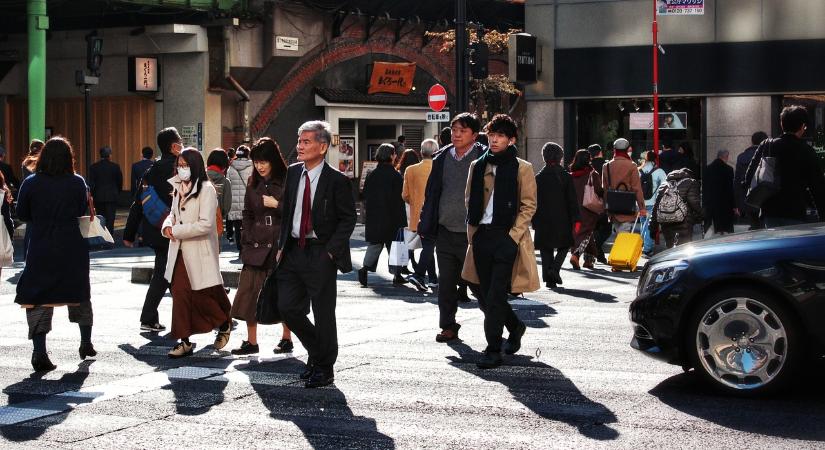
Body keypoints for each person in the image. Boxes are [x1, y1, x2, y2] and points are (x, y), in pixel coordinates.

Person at [276, 120, 356, 389]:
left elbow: (347, 219)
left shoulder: (337, 180)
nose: (299, 146)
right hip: (293, 251)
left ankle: (325, 367)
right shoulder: (292, 173)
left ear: (322, 147)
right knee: (287, 307)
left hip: (321, 252)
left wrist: (331, 251)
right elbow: (287, 212)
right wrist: (280, 246)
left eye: (306, 141)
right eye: (299, 141)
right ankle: (317, 351)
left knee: (323, 313)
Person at [461, 114, 539, 369]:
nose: (494, 140)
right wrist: (473, 232)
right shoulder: (478, 165)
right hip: (482, 236)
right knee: (483, 294)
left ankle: (493, 349)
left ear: (511, 139)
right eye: (492, 135)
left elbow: (529, 206)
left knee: (494, 296)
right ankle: (515, 326)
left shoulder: (522, 168)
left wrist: (512, 236)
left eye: (500, 136)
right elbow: (469, 199)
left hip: (506, 237)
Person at [15, 137, 95, 372]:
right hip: (72, 247)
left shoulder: (31, 183)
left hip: (41, 246)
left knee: (38, 297)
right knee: (79, 293)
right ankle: (85, 342)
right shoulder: (77, 182)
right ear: (69, 158)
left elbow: (22, 213)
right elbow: (82, 210)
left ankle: (39, 351)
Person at [419, 112, 485, 343]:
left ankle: (501, 322)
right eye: (454, 130)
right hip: (445, 230)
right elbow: (432, 193)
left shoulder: (484, 157)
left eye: (462, 130)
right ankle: (448, 325)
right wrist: (426, 220)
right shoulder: (442, 157)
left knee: (478, 285)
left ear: (474, 135)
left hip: (474, 233)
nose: (456, 134)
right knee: (446, 283)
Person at [162, 148, 232, 358]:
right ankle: (184, 340)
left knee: (201, 294)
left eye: (185, 165)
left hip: (199, 250)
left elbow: (205, 224)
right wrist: (167, 226)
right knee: (180, 294)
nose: (181, 169)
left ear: (195, 165)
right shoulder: (176, 186)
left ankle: (222, 322)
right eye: (179, 165)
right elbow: (173, 214)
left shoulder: (206, 189)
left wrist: (175, 231)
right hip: (179, 251)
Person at [229, 137, 292, 355]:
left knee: (281, 295)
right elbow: (247, 212)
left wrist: (277, 205)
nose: (260, 166)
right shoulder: (252, 182)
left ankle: (287, 337)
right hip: (255, 245)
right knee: (248, 294)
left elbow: (298, 214)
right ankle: (251, 342)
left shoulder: (287, 180)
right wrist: (246, 237)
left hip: (277, 246)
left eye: (264, 161)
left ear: (273, 160)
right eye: (256, 161)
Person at [124, 127, 183, 332]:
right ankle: (150, 317)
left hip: (156, 229)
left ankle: (154, 317)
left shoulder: (150, 170)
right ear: (174, 146)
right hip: (177, 229)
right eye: (180, 142)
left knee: (168, 271)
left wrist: (129, 234)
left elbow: (138, 203)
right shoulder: (179, 169)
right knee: (167, 273)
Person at [744, 105, 825, 227]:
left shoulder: (767, 145)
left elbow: (749, 177)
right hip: (795, 211)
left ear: (782, 124)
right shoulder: (806, 150)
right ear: (802, 126)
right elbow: (817, 187)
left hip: (770, 211)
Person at [358, 143, 407, 287]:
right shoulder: (395, 175)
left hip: (375, 216)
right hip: (393, 216)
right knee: (395, 247)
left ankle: (365, 269)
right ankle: (397, 275)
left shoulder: (372, 174)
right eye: (394, 154)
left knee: (375, 245)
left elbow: (365, 194)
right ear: (392, 156)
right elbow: (400, 198)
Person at [533, 142, 579, 288]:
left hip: (542, 218)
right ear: (560, 157)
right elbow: (572, 200)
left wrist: (533, 220)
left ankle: (549, 278)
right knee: (564, 245)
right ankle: (554, 269)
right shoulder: (565, 176)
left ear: (544, 157)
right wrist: (576, 219)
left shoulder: (538, 177)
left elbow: (533, 201)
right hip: (562, 218)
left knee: (546, 248)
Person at [404, 139, 439, 291]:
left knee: (428, 245)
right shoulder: (439, 167)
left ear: (421, 152)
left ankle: (432, 278)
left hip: (417, 213)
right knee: (429, 246)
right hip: (436, 213)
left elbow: (405, 195)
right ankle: (421, 275)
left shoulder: (410, 170)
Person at [602, 138, 647, 235]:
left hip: (613, 207)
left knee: (618, 237)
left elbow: (605, 189)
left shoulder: (607, 166)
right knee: (624, 238)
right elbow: (637, 189)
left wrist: (606, 208)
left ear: (614, 150)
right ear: (627, 150)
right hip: (627, 206)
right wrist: (642, 207)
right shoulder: (632, 165)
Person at [569, 149, 603, 271]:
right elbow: (599, 190)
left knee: (587, 232)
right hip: (588, 208)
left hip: (573, 207)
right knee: (586, 232)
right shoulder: (592, 174)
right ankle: (576, 254)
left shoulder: (571, 175)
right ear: (588, 160)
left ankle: (589, 260)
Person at [652, 167, 702, 248]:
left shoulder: (664, 185)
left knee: (670, 249)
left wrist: (652, 227)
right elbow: (694, 203)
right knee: (684, 248)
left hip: (666, 223)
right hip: (684, 223)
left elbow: (656, 207)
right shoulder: (691, 182)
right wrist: (702, 215)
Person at [734, 131, 768, 230]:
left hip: (748, 199)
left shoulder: (742, 157)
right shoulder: (767, 155)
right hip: (764, 198)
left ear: (752, 142)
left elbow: (737, 182)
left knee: (754, 225)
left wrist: (737, 204)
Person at [88, 146, 123, 236]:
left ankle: (102, 235)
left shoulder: (94, 167)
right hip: (112, 195)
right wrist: (118, 191)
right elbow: (119, 181)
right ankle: (109, 236)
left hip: (98, 196)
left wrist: (91, 194)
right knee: (111, 218)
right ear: (110, 155)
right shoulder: (115, 167)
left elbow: (91, 183)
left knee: (100, 217)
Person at [638, 151, 667, 256]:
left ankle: (641, 246)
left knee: (643, 224)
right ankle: (647, 249)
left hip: (640, 203)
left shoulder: (639, 170)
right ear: (655, 160)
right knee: (649, 226)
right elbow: (665, 185)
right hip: (652, 202)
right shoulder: (659, 171)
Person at [703, 149, 737, 235]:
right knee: (725, 229)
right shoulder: (729, 169)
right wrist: (734, 205)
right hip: (725, 203)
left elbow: (705, 187)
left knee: (713, 227)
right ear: (726, 157)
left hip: (711, 202)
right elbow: (730, 189)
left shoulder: (707, 168)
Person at [226, 145, 254, 249]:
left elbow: (228, 185)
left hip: (235, 203)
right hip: (248, 203)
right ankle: (249, 248)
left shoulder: (230, 168)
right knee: (249, 227)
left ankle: (240, 249)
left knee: (237, 228)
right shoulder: (252, 167)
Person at [588, 144, 610, 263]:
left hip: (590, 202)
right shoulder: (607, 165)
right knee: (607, 228)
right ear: (600, 152)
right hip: (604, 201)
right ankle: (597, 248)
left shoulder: (588, 166)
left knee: (594, 228)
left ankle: (597, 254)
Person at [206, 149, 233, 234]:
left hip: (197, 224)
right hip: (216, 224)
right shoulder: (225, 182)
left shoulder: (199, 178)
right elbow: (226, 207)